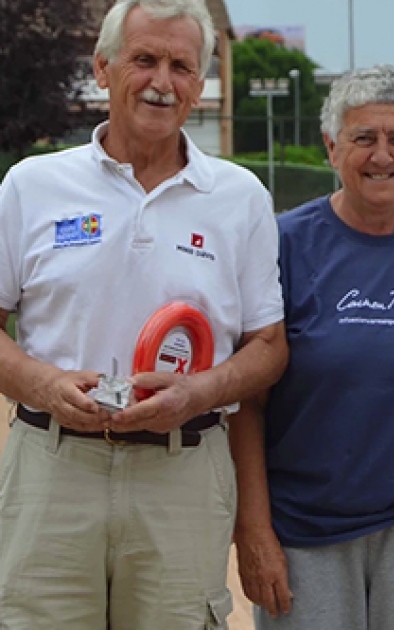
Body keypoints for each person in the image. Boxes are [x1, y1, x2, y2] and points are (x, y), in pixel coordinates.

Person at [0, 0, 288, 627]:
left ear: (200, 82)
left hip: (182, 469)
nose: (163, 82)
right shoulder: (31, 186)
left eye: (182, 66)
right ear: (102, 69)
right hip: (53, 469)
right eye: (145, 60)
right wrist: (45, 385)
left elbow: (269, 345)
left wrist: (200, 391)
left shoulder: (240, 199)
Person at [229, 64, 394, 630]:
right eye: (363, 138)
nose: (382, 156)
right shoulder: (285, 244)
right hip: (306, 525)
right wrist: (253, 527)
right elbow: (248, 400)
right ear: (330, 147)